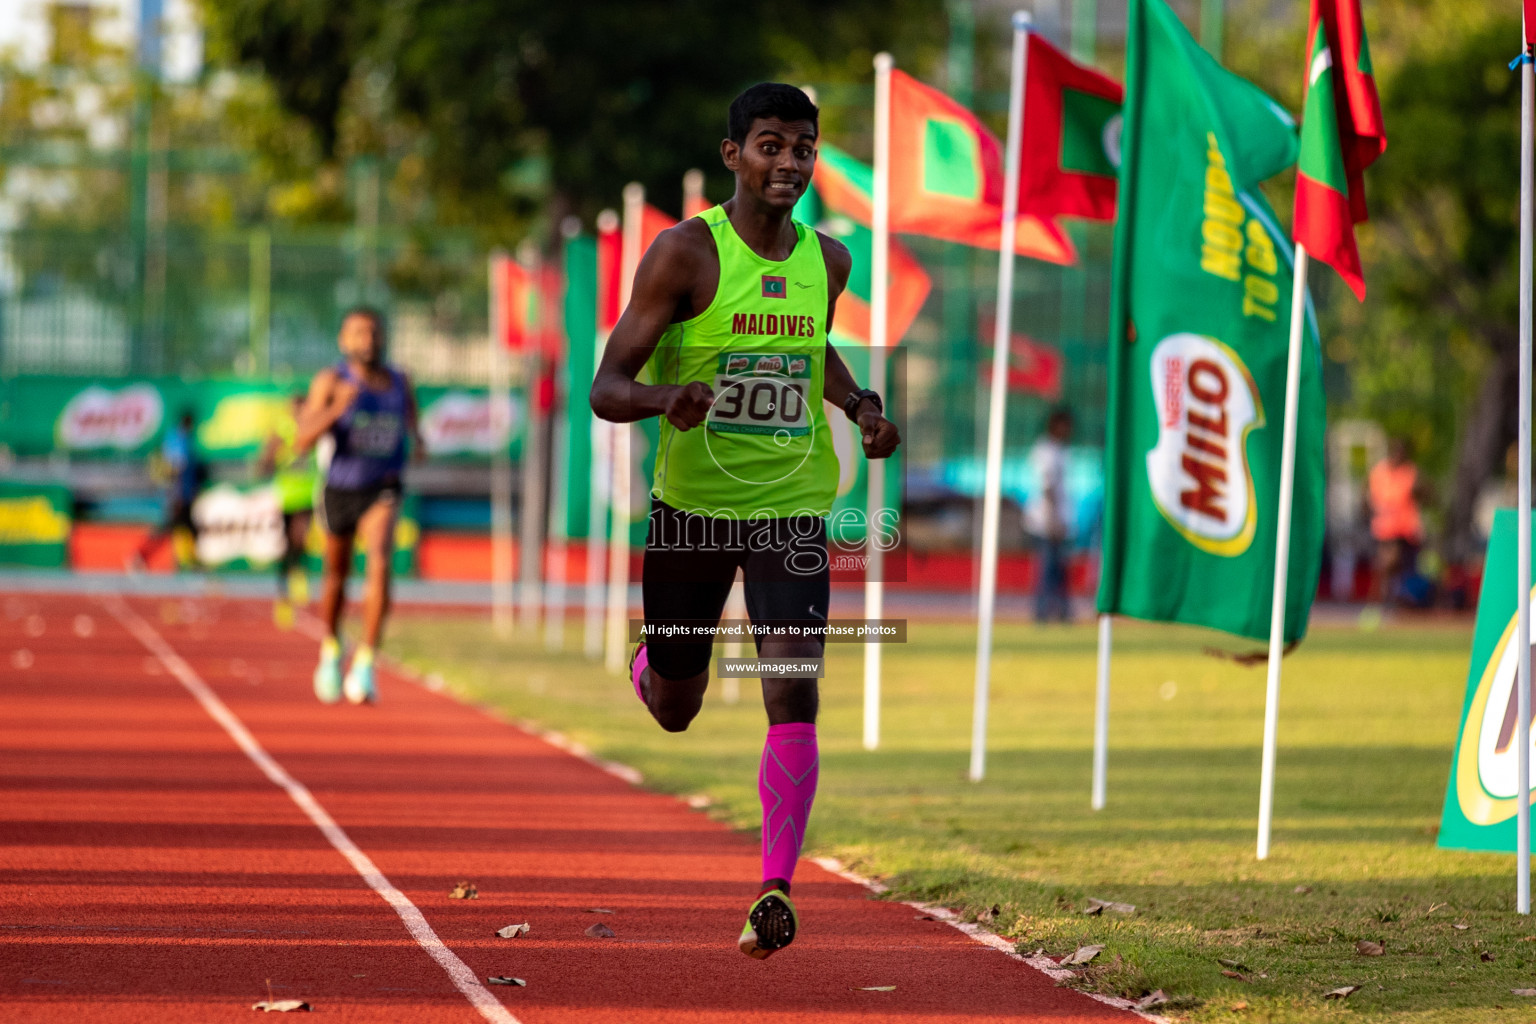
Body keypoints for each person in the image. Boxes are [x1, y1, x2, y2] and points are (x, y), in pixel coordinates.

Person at [590, 82, 901, 961]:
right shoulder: (684, 256)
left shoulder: (829, 261)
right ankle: (655, 660)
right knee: (676, 707)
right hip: (692, 512)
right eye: (771, 145)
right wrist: (668, 396)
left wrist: (861, 404)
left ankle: (775, 887)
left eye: (804, 148)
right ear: (734, 155)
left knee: (792, 688)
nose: (790, 164)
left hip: (794, 506)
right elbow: (607, 387)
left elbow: (812, 351)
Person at [295, 307, 423, 705]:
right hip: (339, 489)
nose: (368, 340)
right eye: (358, 334)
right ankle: (332, 647)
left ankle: (367, 662)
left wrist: (418, 443)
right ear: (343, 341)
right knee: (337, 576)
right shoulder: (331, 381)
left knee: (381, 562)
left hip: (382, 488)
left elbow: (414, 428)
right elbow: (302, 439)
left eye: (374, 332)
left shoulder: (400, 381)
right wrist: (336, 409)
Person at [259, 392, 320, 628]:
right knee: (287, 543)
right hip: (286, 494)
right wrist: (267, 461)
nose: (299, 412)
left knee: (300, 536)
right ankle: (283, 594)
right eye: (296, 408)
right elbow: (269, 452)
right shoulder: (283, 428)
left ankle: (299, 575)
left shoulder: (314, 427)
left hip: (307, 493)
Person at [130, 409, 204, 571]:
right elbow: (175, 470)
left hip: (181, 493)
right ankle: (140, 556)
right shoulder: (179, 439)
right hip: (178, 494)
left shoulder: (179, 438)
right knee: (170, 528)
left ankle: (193, 561)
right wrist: (177, 495)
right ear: (188, 423)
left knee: (187, 527)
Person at [1024, 407, 1073, 623]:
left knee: (1058, 569)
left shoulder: (1058, 450)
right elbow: (1048, 488)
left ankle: (1061, 611)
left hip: (1053, 518)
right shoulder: (1046, 451)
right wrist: (1053, 520)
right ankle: (1044, 613)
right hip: (1045, 520)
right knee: (1048, 569)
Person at [1368, 437, 1426, 605]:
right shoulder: (1379, 472)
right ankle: (1386, 600)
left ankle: (1394, 599)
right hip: (1385, 529)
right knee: (1388, 565)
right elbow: (1369, 497)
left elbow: (1424, 494)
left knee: (1400, 567)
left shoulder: (1410, 473)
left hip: (1405, 529)